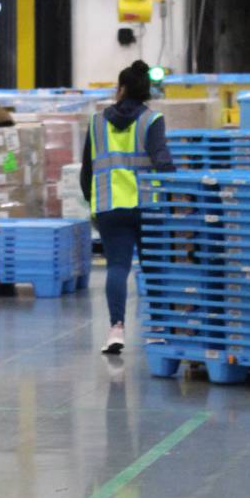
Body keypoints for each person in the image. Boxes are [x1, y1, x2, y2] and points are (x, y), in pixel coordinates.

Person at [80, 60, 175, 355]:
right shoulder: (152, 120)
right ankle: (158, 330)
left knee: (117, 267)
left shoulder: (96, 122)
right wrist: (177, 193)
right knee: (154, 268)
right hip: (148, 207)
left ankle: (116, 330)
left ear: (121, 89)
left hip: (110, 205)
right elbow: (162, 160)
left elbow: (86, 170)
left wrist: (93, 203)